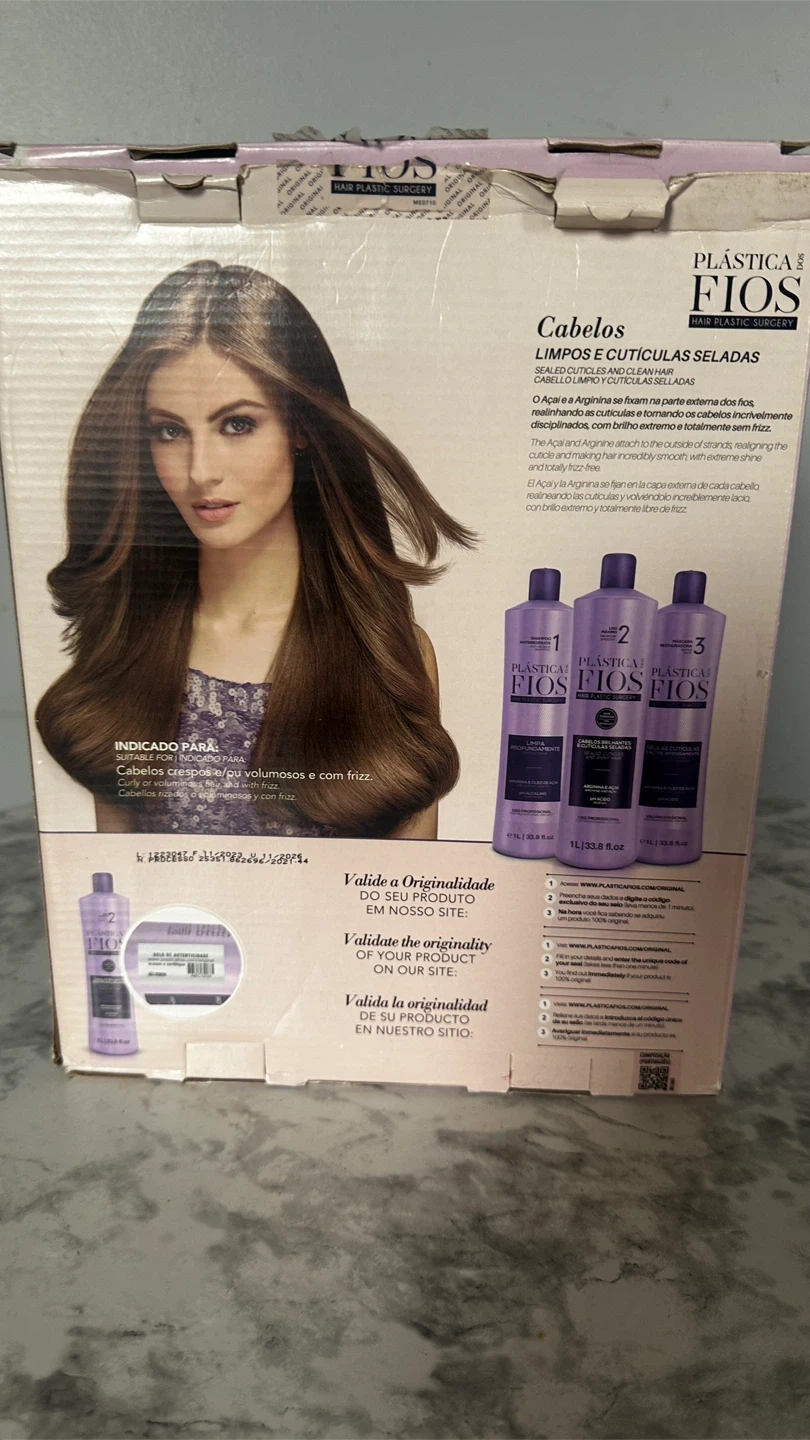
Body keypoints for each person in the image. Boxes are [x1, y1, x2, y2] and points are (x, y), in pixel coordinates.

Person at [36, 261, 474, 839]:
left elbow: (406, 890)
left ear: (300, 427)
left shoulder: (388, 655)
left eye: (237, 424)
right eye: (169, 431)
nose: (200, 471)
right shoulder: (125, 641)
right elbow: (116, 882)